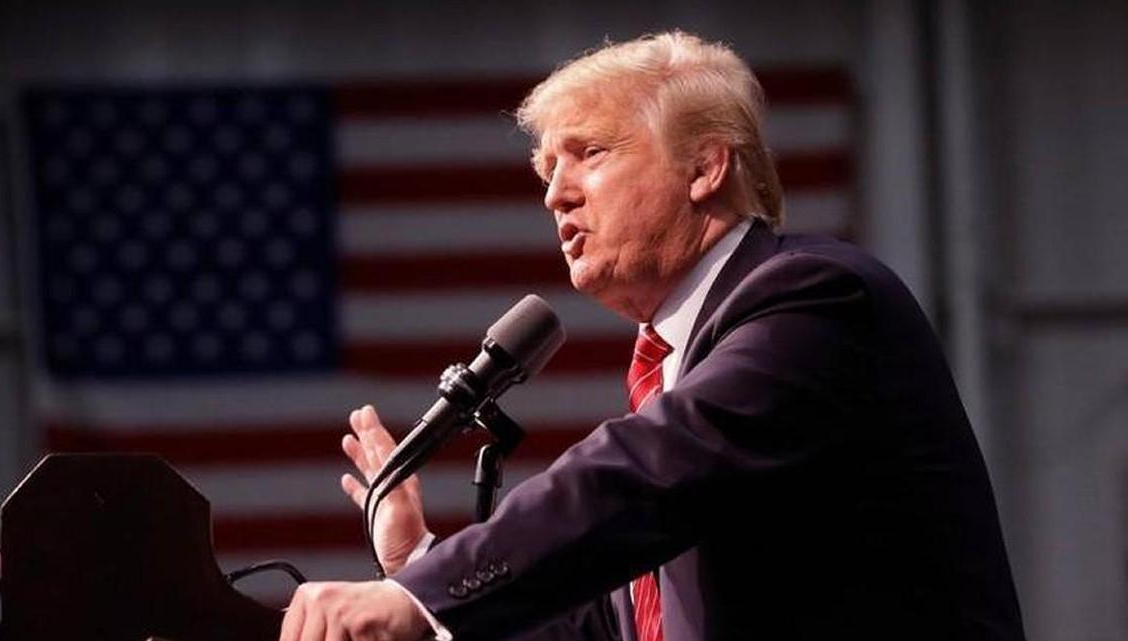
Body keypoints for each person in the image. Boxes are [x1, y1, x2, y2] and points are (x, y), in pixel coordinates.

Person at [278, 31, 1026, 641]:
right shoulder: (684, 364)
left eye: (590, 153)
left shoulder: (815, 299)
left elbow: (647, 473)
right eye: (545, 168)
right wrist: (422, 561)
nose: (554, 192)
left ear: (705, 165)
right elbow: (613, 621)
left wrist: (427, 592)